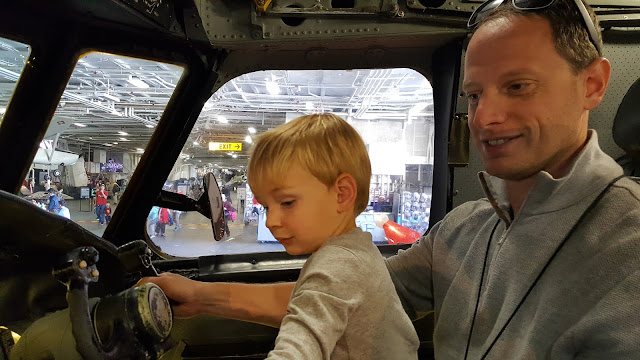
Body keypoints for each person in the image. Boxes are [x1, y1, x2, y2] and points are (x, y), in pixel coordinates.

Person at [138, 1, 640, 358]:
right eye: (474, 95)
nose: (486, 117)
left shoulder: (629, 242)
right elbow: (339, 295)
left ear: (592, 83)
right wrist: (201, 296)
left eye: (517, 87)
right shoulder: (467, 228)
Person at [141, 114, 420, 359]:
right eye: (266, 206)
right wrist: (200, 297)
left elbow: (300, 343)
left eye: (287, 202)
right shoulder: (356, 251)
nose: (271, 221)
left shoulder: (338, 267)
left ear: (342, 194)